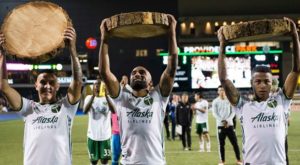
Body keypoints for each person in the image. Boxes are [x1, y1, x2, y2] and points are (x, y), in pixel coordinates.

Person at [217, 17, 299, 165]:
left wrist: (294, 35)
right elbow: (224, 79)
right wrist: (222, 45)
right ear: (252, 83)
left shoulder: (282, 100)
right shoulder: (242, 106)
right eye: (258, 81)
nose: (262, 85)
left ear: (271, 83)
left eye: (266, 81)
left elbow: (296, 70)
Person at [98, 14, 178, 165]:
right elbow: (104, 72)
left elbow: (171, 68)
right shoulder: (122, 98)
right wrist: (104, 38)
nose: (137, 74)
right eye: (134, 73)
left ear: (150, 83)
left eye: (142, 73)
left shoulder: (158, 96)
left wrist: (172, 31)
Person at [0, 27, 82, 165]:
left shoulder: (66, 107)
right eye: (43, 82)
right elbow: (4, 87)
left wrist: (72, 49)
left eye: (51, 83)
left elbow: (78, 81)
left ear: (57, 86)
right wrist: (2, 54)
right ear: (36, 86)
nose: (47, 86)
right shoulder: (27, 108)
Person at [83, 79, 112, 165]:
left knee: (104, 161)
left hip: (105, 135)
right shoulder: (88, 98)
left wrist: (107, 96)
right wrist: (93, 96)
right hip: (92, 135)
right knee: (93, 161)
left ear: (103, 87)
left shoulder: (108, 98)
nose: (97, 86)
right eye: (95, 84)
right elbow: (85, 111)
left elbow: (114, 110)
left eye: (99, 84)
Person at [212, 86, 242, 165]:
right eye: (220, 90)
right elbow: (214, 113)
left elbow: (233, 112)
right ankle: (222, 161)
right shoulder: (215, 101)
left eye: (223, 90)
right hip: (220, 125)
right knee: (221, 144)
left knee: (235, 143)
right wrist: (222, 120)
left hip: (230, 125)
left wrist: (228, 120)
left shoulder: (229, 100)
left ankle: (239, 160)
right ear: (218, 92)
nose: (221, 91)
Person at [271, 78, 291, 165]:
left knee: (284, 156)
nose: (272, 87)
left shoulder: (282, 95)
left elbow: (287, 107)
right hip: (272, 132)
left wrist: (288, 115)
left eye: (273, 85)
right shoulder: (268, 95)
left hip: (282, 133)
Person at [110, 75, 128, 165]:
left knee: (128, 159)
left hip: (127, 134)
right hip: (116, 133)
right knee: (115, 158)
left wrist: (126, 85)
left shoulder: (129, 96)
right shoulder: (113, 99)